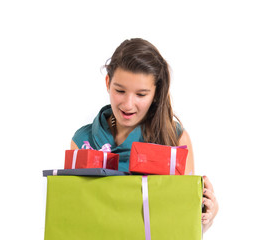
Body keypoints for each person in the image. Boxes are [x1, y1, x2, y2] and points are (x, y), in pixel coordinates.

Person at [70, 38, 218, 233]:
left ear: (156, 93)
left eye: (141, 94)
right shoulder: (83, 142)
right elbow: (73, 217)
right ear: (108, 82)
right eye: (120, 91)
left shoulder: (175, 140)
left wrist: (205, 220)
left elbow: (182, 227)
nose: (128, 104)